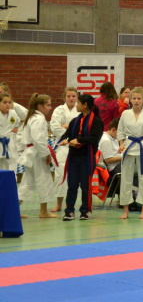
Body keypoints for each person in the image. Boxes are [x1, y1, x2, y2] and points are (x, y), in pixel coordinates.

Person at [59, 94, 103, 221]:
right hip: (73, 157)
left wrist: (79, 140)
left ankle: (84, 211)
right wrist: (64, 140)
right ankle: (69, 211)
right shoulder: (75, 121)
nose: (76, 105)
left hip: (86, 157)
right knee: (72, 185)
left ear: (85, 105)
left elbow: (94, 139)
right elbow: (67, 134)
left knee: (85, 185)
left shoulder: (96, 121)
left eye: (78, 103)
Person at [117, 86, 143, 220]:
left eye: (139, 98)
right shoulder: (125, 114)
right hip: (128, 146)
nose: (136, 101)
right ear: (130, 100)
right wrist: (121, 144)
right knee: (126, 179)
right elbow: (120, 130)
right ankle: (126, 209)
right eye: (134, 98)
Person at [18, 93, 59, 219]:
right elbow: (38, 139)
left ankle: (12, 210)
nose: (50, 108)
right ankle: (43, 211)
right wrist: (46, 154)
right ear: (40, 106)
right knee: (44, 180)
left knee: (27, 183)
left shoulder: (32, 117)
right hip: (37, 154)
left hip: (32, 152)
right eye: (48, 105)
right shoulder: (38, 119)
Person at [50, 87, 80, 215]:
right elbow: (54, 127)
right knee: (60, 175)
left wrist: (67, 126)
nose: (71, 98)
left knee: (76, 176)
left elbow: (82, 128)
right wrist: (71, 132)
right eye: (69, 96)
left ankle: (71, 203)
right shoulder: (59, 110)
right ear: (64, 97)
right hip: (62, 146)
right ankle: (58, 203)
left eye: (74, 96)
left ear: (77, 97)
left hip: (77, 145)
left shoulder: (80, 109)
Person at [0, 92, 23, 172]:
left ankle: (9, 179)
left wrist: (17, 129)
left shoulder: (13, 113)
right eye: (4, 102)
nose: (7, 104)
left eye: (9, 102)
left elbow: (18, 124)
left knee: (10, 166)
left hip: (9, 142)